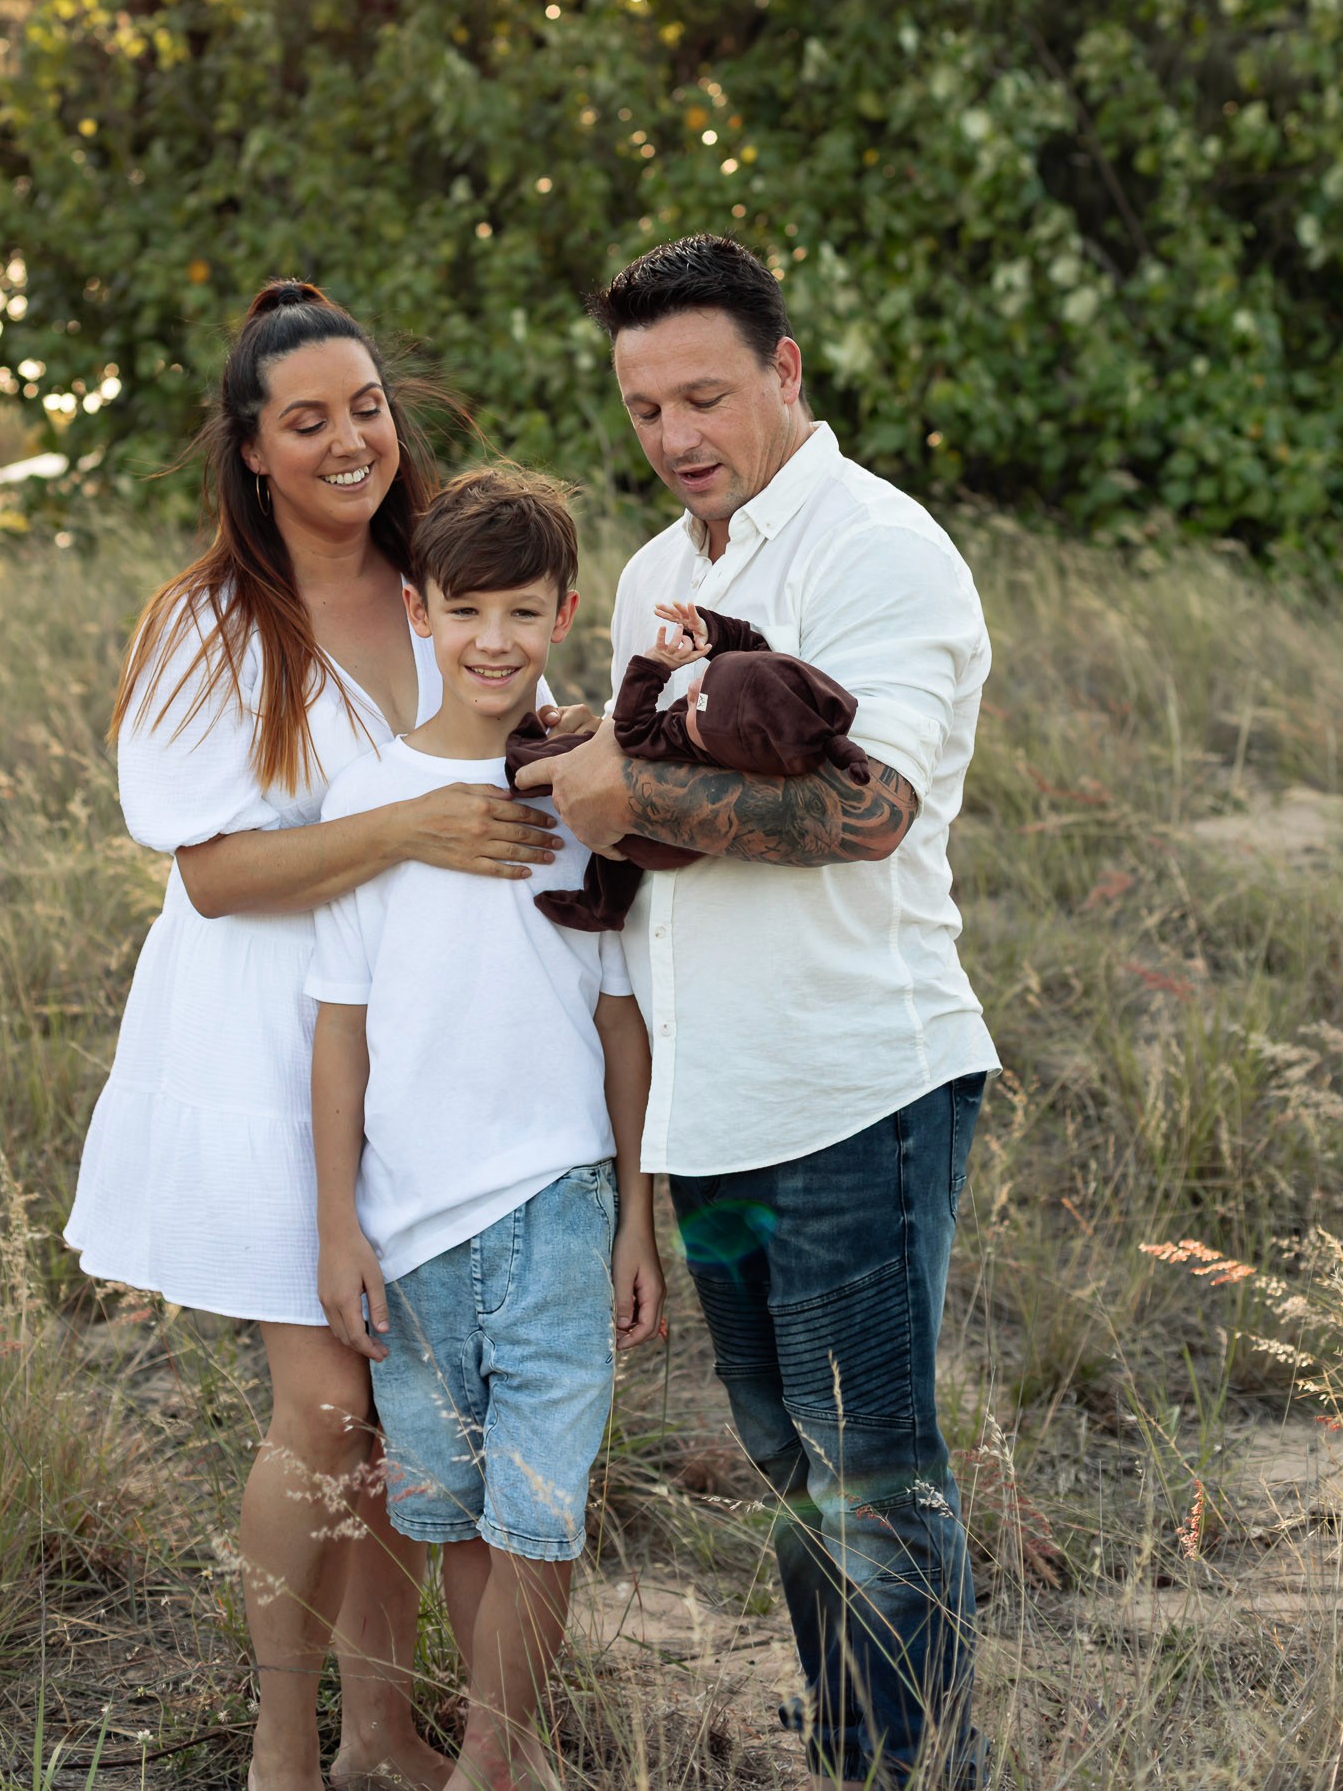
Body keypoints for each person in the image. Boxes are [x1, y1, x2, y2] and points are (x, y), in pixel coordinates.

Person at [65, 284, 568, 1791]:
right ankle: (287, 1750)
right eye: (307, 421)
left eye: (365, 407)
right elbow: (213, 877)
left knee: (404, 1413)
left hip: (416, 1058)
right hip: (254, 1054)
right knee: (326, 1405)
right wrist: (405, 822)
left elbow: (526, 764)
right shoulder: (212, 627)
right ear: (251, 450)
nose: (349, 439)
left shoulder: (446, 587)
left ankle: (382, 1733)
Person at [516, 236, 1000, 1791]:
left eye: (704, 395)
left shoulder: (878, 548)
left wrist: (626, 784)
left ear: (784, 373)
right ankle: (856, 1742)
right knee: (789, 1464)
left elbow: (866, 812)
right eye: (644, 406)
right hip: (711, 1110)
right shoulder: (662, 574)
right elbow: (644, 828)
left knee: (872, 1471)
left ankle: (910, 1769)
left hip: (859, 1094)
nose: (673, 437)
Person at [306, 466, 663, 1791]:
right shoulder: (365, 798)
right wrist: (339, 1220)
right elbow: (336, 1029)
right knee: (448, 1507)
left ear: (564, 610)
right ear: (417, 611)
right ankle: (498, 1755)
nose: (495, 641)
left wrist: (636, 1216)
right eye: (466, 612)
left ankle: (494, 1757)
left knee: (539, 1509)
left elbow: (621, 1026)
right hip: (407, 1219)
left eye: (522, 610)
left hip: (560, 1202)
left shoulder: (583, 797)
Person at [503, 596, 867, 931]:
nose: (692, 690)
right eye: (707, 678)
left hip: (653, 840)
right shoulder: (760, 735)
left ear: (718, 740)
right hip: (670, 840)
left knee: (574, 753)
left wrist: (654, 668)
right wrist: (712, 630)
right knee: (616, 864)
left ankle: (521, 758)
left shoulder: (684, 743)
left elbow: (629, 729)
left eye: (700, 704)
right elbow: (755, 654)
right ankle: (604, 909)